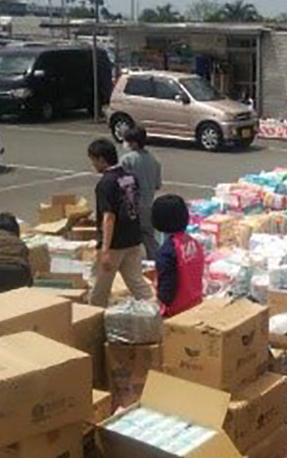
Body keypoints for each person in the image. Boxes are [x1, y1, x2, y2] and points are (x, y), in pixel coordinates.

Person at [86, 138, 154, 307]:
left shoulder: (105, 183)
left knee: (99, 288)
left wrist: (105, 249)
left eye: (93, 160)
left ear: (101, 159)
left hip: (115, 244)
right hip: (133, 239)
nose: (93, 165)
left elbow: (109, 217)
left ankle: (91, 323)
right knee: (137, 284)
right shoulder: (130, 177)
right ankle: (155, 311)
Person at [151, 194, 203, 318]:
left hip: (176, 309)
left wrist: (157, 304)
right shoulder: (192, 242)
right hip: (195, 301)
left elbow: (167, 287)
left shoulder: (168, 252)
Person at [119, 127, 162, 257]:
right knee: (148, 237)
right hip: (148, 205)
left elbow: (123, 185)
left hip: (131, 207)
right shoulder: (154, 160)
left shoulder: (127, 160)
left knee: (128, 239)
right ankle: (155, 261)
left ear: (134, 143)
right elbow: (157, 185)